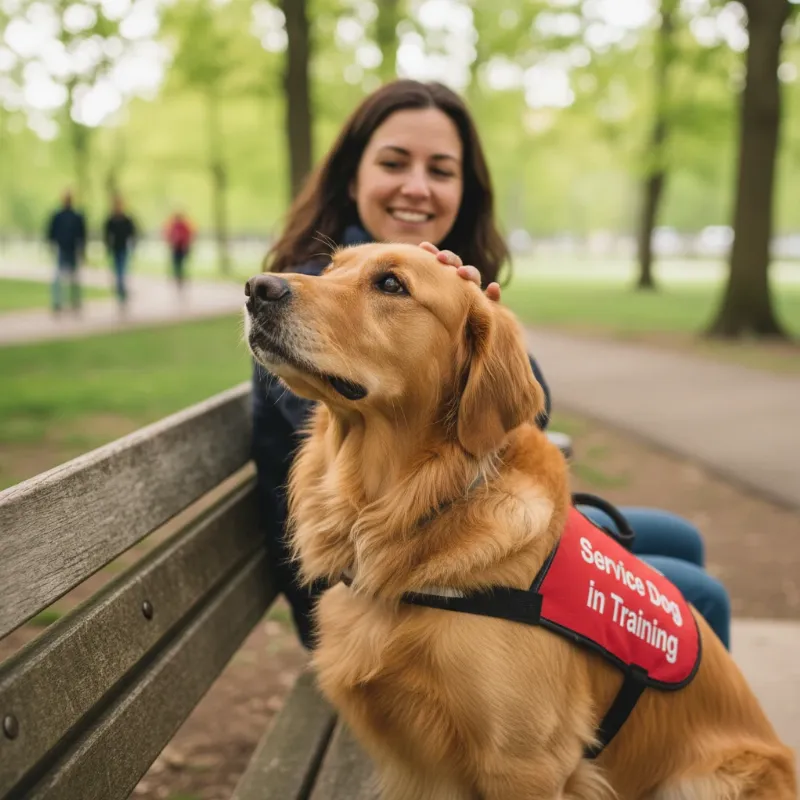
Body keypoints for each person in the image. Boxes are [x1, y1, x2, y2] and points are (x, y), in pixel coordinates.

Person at [252, 79, 731, 651]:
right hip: (383, 581)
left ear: (465, 192)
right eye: (394, 162)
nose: (416, 186)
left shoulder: (442, 281)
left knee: (680, 538)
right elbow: (408, 451)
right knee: (699, 595)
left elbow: (527, 414)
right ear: (354, 177)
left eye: (441, 170)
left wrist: (482, 327)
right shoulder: (314, 295)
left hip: (446, 534)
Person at [46, 190, 86, 314]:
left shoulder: (77, 216)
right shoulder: (58, 216)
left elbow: (82, 233)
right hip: (62, 249)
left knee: (74, 278)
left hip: (73, 249)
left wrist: (82, 249)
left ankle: (75, 302)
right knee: (58, 278)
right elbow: (51, 231)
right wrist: (52, 244)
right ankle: (57, 302)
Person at [103, 196, 137, 309]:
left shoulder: (126, 219)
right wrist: (107, 247)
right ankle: (120, 291)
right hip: (114, 249)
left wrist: (133, 245)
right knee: (117, 271)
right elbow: (107, 235)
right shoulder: (111, 220)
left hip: (123, 249)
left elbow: (132, 233)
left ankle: (121, 292)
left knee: (121, 271)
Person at [164, 211, 194, 291]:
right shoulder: (173, 226)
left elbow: (189, 236)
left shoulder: (184, 226)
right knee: (176, 264)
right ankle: (178, 276)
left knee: (180, 263)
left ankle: (180, 277)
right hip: (175, 247)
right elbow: (168, 235)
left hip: (182, 247)